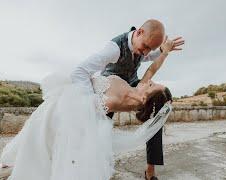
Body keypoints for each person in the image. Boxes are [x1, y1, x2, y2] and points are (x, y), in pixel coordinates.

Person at [0, 71, 173, 179]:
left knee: (40, 136)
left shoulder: (127, 99)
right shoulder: (135, 93)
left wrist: (81, 87)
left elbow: (97, 105)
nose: (151, 81)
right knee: (36, 131)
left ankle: (27, 164)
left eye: (153, 85)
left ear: (146, 98)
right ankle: (14, 157)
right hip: (68, 100)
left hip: (68, 106)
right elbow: (150, 72)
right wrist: (163, 53)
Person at [71, 19, 184, 179]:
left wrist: (162, 50)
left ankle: (150, 170)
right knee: (97, 132)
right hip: (111, 89)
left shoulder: (141, 47)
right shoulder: (114, 49)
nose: (145, 53)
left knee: (159, 98)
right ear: (139, 32)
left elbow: (150, 58)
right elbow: (79, 72)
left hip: (131, 85)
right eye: (145, 47)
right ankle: (92, 169)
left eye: (149, 49)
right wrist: (92, 102)